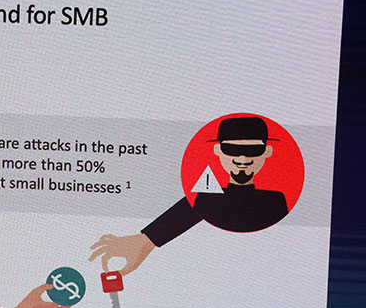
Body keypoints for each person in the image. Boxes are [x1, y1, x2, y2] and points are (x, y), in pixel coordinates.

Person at [90, 114, 291, 276]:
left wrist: (147, 240)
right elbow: (194, 209)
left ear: (267, 151)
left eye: (254, 150)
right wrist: (146, 241)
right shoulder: (207, 199)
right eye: (231, 149)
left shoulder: (276, 201)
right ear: (218, 151)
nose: (242, 159)